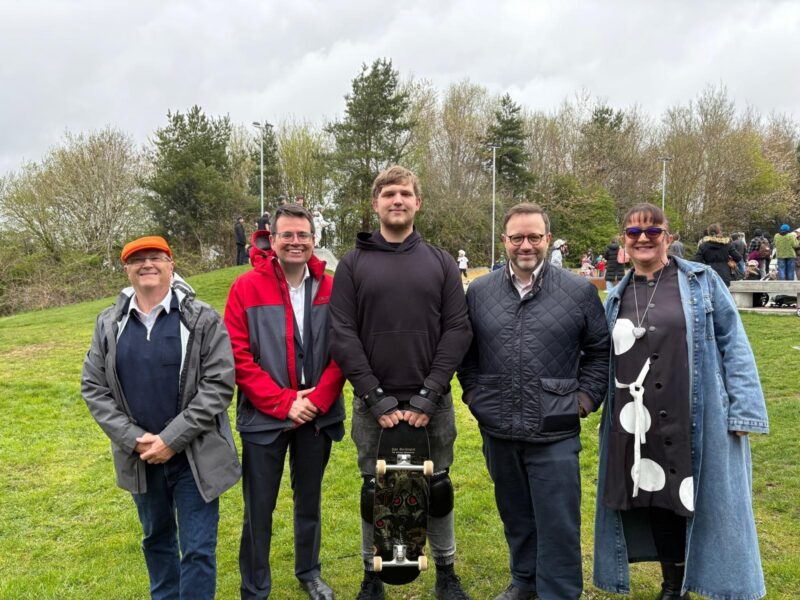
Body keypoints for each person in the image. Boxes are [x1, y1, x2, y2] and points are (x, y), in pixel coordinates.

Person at [593, 203, 769, 600]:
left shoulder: (702, 282)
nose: (643, 239)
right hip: (636, 419)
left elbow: (734, 344)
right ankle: (673, 586)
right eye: (634, 233)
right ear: (624, 241)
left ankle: (711, 577)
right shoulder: (615, 298)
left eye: (653, 232)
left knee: (700, 498)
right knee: (656, 497)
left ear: (668, 238)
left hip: (693, 409)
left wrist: (743, 408)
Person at [329, 165, 473, 600]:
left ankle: (446, 572)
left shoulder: (441, 262)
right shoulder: (353, 265)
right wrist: (375, 398)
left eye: (405, 193)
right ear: (375, 203)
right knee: (376, 488)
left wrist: (429, 394)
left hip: (433, 402)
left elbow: (458, 328)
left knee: (437, 485)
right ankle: (372, 574)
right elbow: (342, 333)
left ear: (417, 202)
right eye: (389, 193)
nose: (397, 200)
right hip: (375, 406)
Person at [458, 203, 609, 600]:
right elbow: (466, 355)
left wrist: (584, 400)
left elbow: (599, 352)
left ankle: (558, 591)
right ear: (504, 241)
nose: (526, 245)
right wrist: (475, 396)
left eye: (534, 237)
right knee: (516, 514)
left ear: (548, 239)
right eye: (517, 237)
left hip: (555, 428)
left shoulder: (578, 291)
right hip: (499, 426)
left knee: (558, 521)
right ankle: (524, 582)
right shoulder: (480, 291)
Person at [81, 236, 241, 600]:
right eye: (137, 260)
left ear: (171, 264)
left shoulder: (201, 318)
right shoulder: (109, 323)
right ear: (127, 269)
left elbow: (218, 385)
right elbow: (93, 387)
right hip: (140, 457)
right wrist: (136, 439)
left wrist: (171, 439)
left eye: (155, 257)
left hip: (195, 456)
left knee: (198, 548)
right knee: (156, 540)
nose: (146, 265)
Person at [224, 204, 346, 600]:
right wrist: (283, 403)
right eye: (288, 235)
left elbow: (344, 349)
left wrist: (319, 399)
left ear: (314, 240)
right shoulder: (245, 288)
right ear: (271, 239)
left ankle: (309, 572)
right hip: (265, 418)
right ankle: (255, 587)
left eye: (303, 235)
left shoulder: (332, 287)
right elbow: (237, 357)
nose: (296, 242)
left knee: (308, 501)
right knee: (259, 510)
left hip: (316, 415)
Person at [693, 223, 742, 287]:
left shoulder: (703, 245)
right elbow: (738, 257)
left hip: (709, 274)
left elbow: (697, 260)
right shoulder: (727, 244)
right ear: (720, 232)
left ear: (709, 233)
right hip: (724, 274)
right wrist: (731, 261)